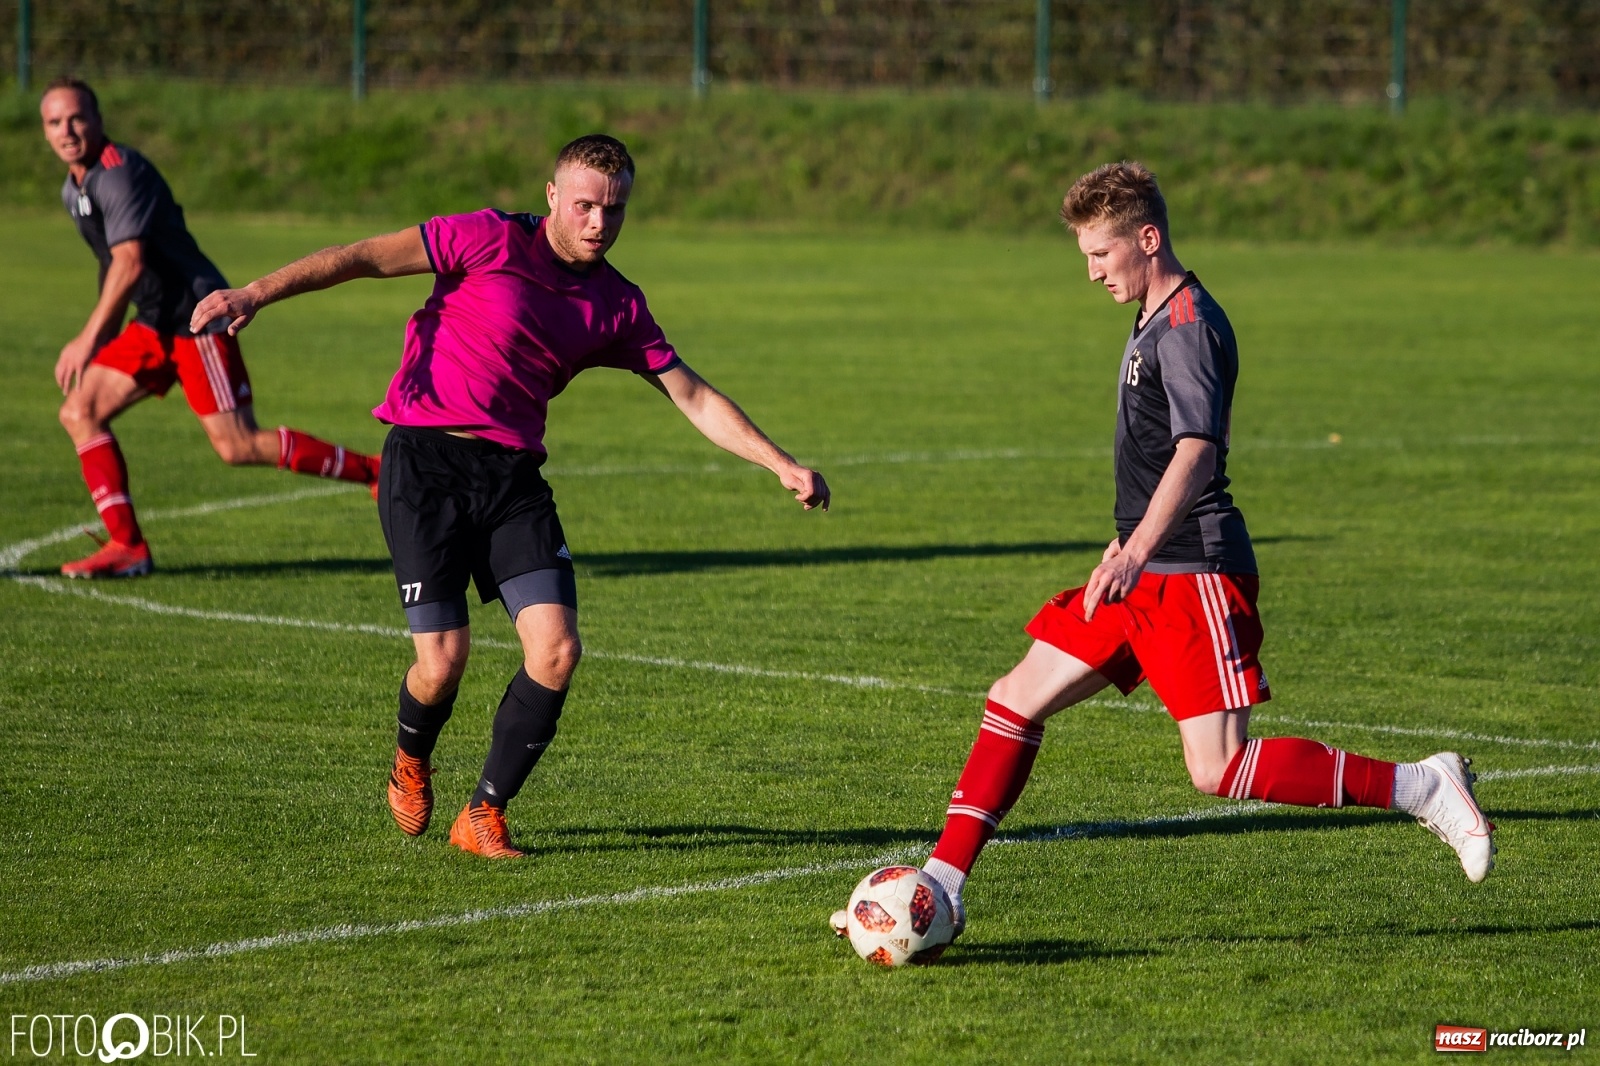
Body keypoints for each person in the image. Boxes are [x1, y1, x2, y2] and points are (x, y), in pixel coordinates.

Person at [854, 162, 1494, 941]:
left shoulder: (1189, 324)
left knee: (1217, 766)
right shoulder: (1154, 313)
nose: (1091, 272)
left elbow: (1195, 451)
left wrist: (1137, 550)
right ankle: (940, 890)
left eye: (1101, 254)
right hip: (1142, 566)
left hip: (1191, 567)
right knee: (1015, 697)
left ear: (1147, 238)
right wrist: (1120, 546)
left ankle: (1423, 787)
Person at [191, 134, 830, 859]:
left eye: (613, 211)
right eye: (584, 205)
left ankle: (483, 814)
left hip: (511, 480)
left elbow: (690, 393)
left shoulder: (617, 304)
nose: (597, 224)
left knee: (556, 650)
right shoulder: (486, 237)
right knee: (442, 662)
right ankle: (410, 757)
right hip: (424, 463)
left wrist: (780, 463)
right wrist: (256, 292)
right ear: (553, 194)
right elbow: (366, 255)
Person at [40, 77, 382, 579]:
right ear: (45, 132)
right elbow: (111, 265)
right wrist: (106, 332)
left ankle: (374, 471)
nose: (67, 130)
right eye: (54, 122)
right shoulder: (76, 186)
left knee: (237, 445)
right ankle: (127, 546)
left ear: (98, 119)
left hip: (194, 318)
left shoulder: (117, 174)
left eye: (76, 118)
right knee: (80, 410)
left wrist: (89, 339)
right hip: (154, 323)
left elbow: (129, 262)